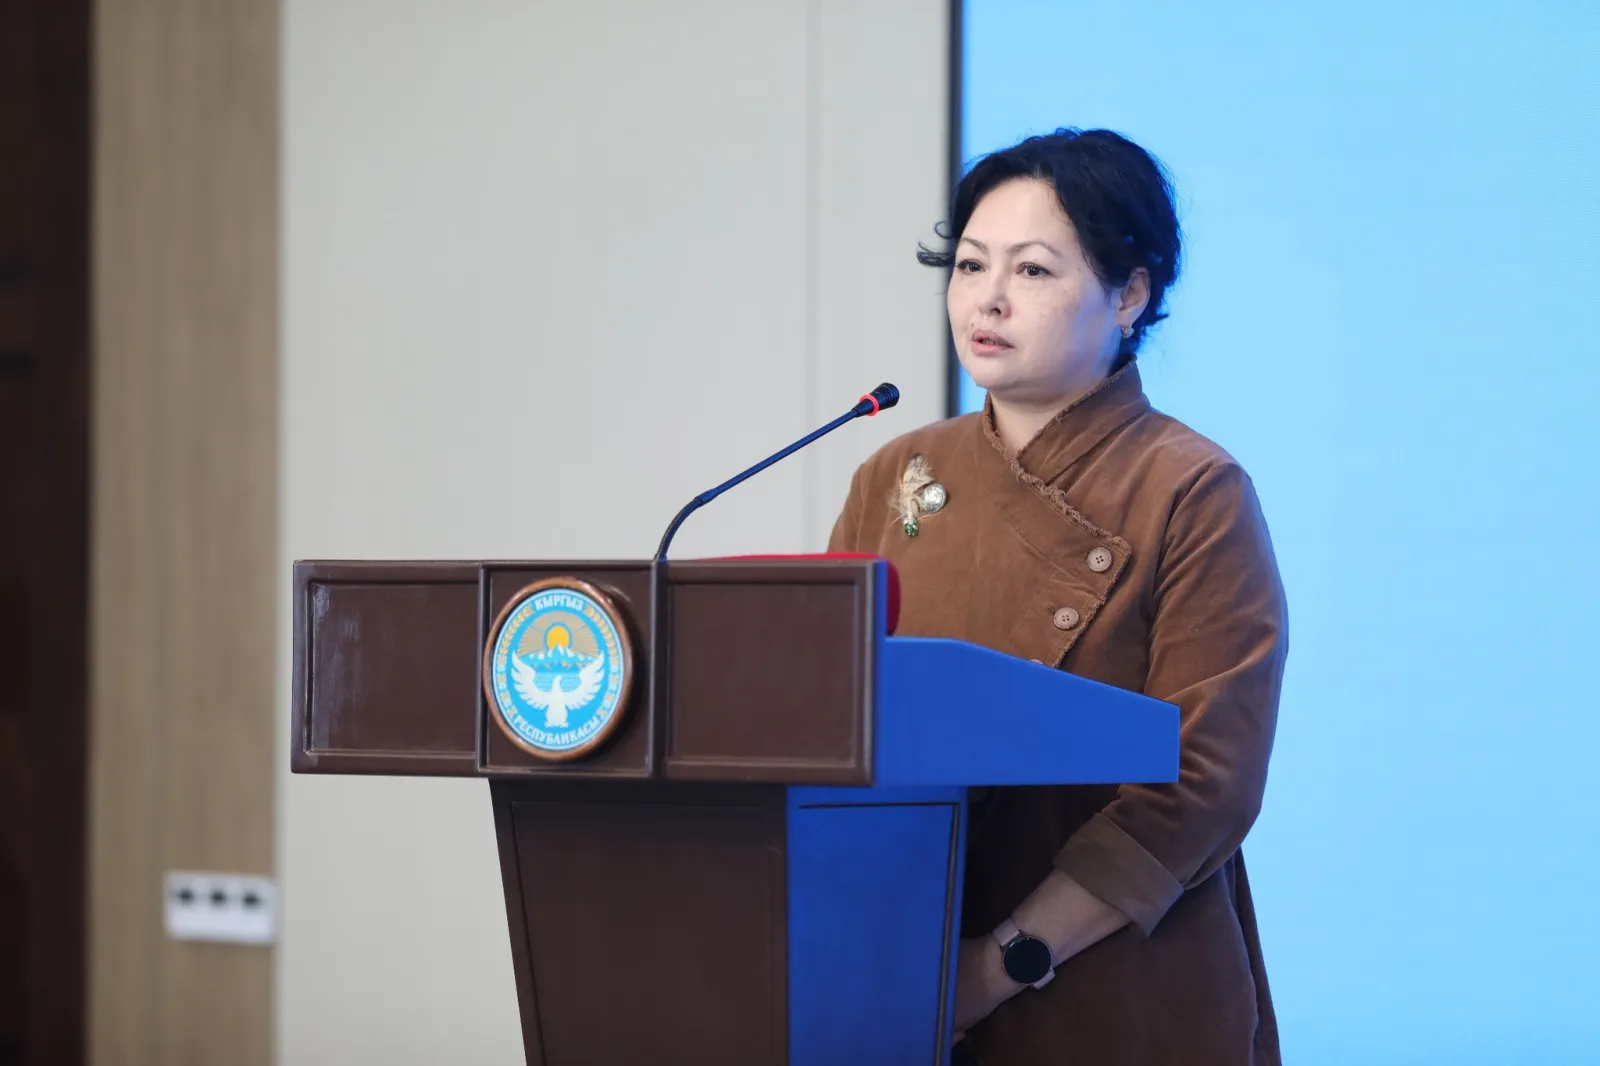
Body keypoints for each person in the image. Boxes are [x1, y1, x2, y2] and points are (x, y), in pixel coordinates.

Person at [826, 128, 1289, 1064]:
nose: (987, 299)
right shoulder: (897, 473)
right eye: (969, 265)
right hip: (907, 977)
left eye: (1033, 270)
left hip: (1114, 983)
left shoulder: (1193, 488)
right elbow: (822, 716)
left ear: (1130, 295)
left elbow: (1205, 781)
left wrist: (999, 963)